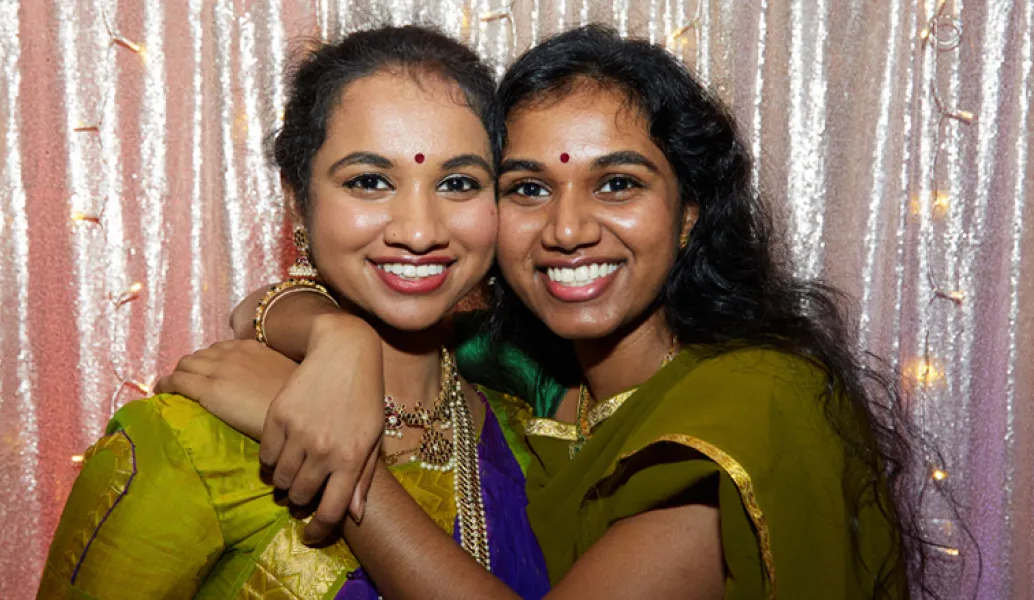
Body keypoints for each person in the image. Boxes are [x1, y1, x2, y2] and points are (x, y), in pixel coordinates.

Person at [164, 25, 938, 599]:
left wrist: (334, 456)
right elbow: (253, 316)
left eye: (618, 184)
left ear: (691, 211)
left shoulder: (747, 408)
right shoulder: (521, 372)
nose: (568, 230)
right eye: (528, 188)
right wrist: (334, 338)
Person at [37, 25, 550, 599]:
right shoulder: (190, 439)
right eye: (369, 181)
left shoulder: (525, 429)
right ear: (297, 201)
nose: (419, 230)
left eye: (457, 183)